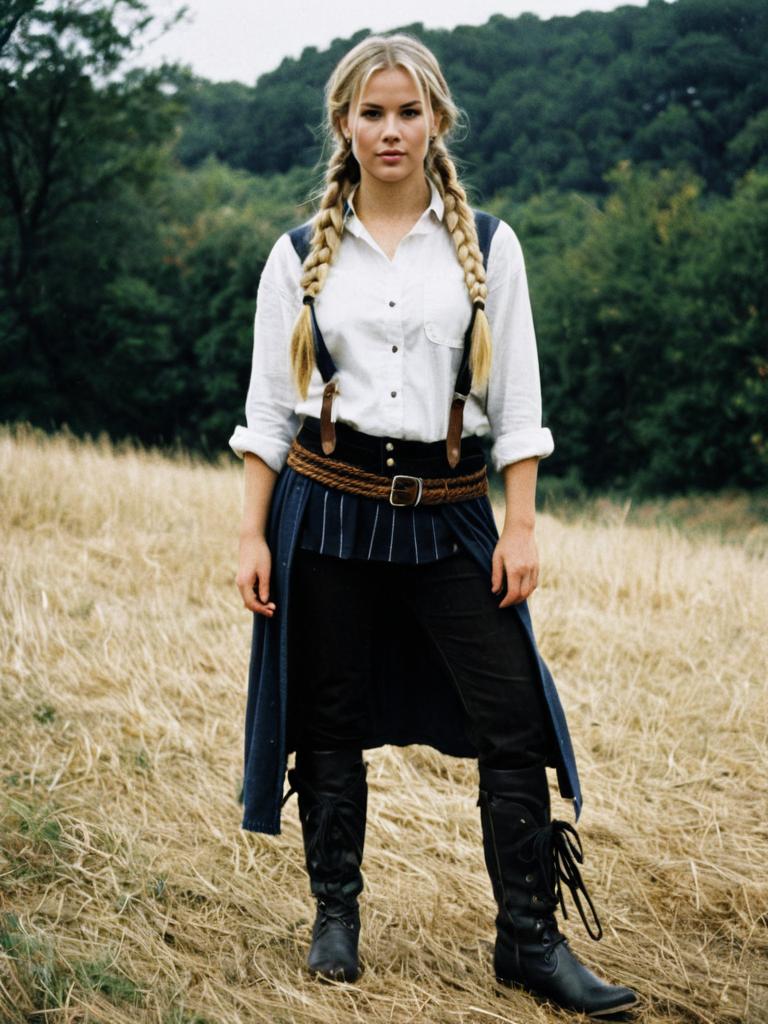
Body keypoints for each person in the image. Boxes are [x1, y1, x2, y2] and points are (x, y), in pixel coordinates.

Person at [229, 32, 638, 1020]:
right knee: (328, 713)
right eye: (372, 113)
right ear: (344, 124)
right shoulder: (297, 255)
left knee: (513, 715)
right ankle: (336, 918)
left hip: (453, 512)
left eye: (408, 112)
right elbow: (269, 413)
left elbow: (519, 401)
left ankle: (528, 941)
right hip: (326, 504)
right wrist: (250, 535)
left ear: (437, 120)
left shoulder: (489, 246)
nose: (391, 130)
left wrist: (521, 525)